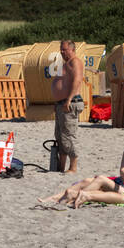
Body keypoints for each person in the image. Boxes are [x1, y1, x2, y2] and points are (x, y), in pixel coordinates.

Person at [38, 130, 124, 204]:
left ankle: (74, 196)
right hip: (121, 183)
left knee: (101, 179)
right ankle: (53, 198)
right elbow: (122, 171)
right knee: (87, 181)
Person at [48, 40, 85, 173]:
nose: (62, 52)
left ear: (72, 49)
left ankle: (73, 167)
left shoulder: (75, 62)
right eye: (61, 49)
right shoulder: (65, 64)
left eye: (64, 49)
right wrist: (57, 103)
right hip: (61, 104)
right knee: (59, 135)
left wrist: (68, 100)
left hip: (70, 102)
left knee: (68, 135)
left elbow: (77, 80)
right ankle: (61, 166)